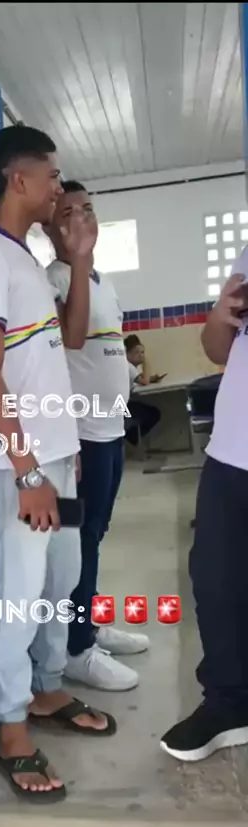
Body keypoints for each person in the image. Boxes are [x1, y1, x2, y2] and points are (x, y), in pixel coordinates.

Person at [0, 127, 116, 804]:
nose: (58, 188)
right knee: (20, 591)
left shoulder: (26, 258)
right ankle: (12, 727)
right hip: (18, 463)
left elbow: (70, 339)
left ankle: (48, 689)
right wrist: (25, 472)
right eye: (51, 177)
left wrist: (79, 259)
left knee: (63, 578)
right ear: (17, 180)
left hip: (57, 456)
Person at [45, 181, 149, 693]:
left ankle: (88, 621)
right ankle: (75, 648)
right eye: (68, 213)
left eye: (87, 209)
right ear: (50, 226)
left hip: (110, 429)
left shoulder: (102, 281)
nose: (82, 219)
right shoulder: (55, 280)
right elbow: (64, 350)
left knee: (96, 533)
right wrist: (67, 437)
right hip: (82, 435)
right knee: (79, 538)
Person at [160, 261, 248, 761]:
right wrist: (219, 317)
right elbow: (219, 350)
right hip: (232, 451)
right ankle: (230, 703)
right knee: (217, 582)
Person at [124, 334, 162, 446]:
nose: (141, 355)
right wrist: (146, 362)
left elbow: (139, 379)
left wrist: (150, 378)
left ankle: (132, 437)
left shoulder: (128, 366)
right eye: (137, 353)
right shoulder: (128, 366)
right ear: (127, 354)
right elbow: (144, 382)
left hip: (122, 403)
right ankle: (131, 436)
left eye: (142, 352)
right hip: (122, 406)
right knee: (154, 414)